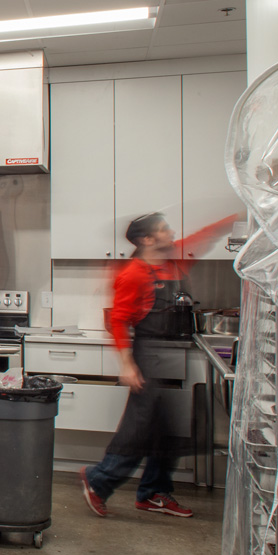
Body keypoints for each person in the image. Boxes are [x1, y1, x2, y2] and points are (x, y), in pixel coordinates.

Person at [80, 214, 236, 518]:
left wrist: (233, 221)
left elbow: (201, 238)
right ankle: (100, 480)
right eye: (164, 230)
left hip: (167, 351)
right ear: (146, 240)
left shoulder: (171, 262)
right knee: (140, 427)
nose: (172, 232)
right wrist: (128, 365)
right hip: (146, 355)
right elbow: (119, 320)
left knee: (168, 428)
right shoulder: (134, 274)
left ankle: (152, 492)